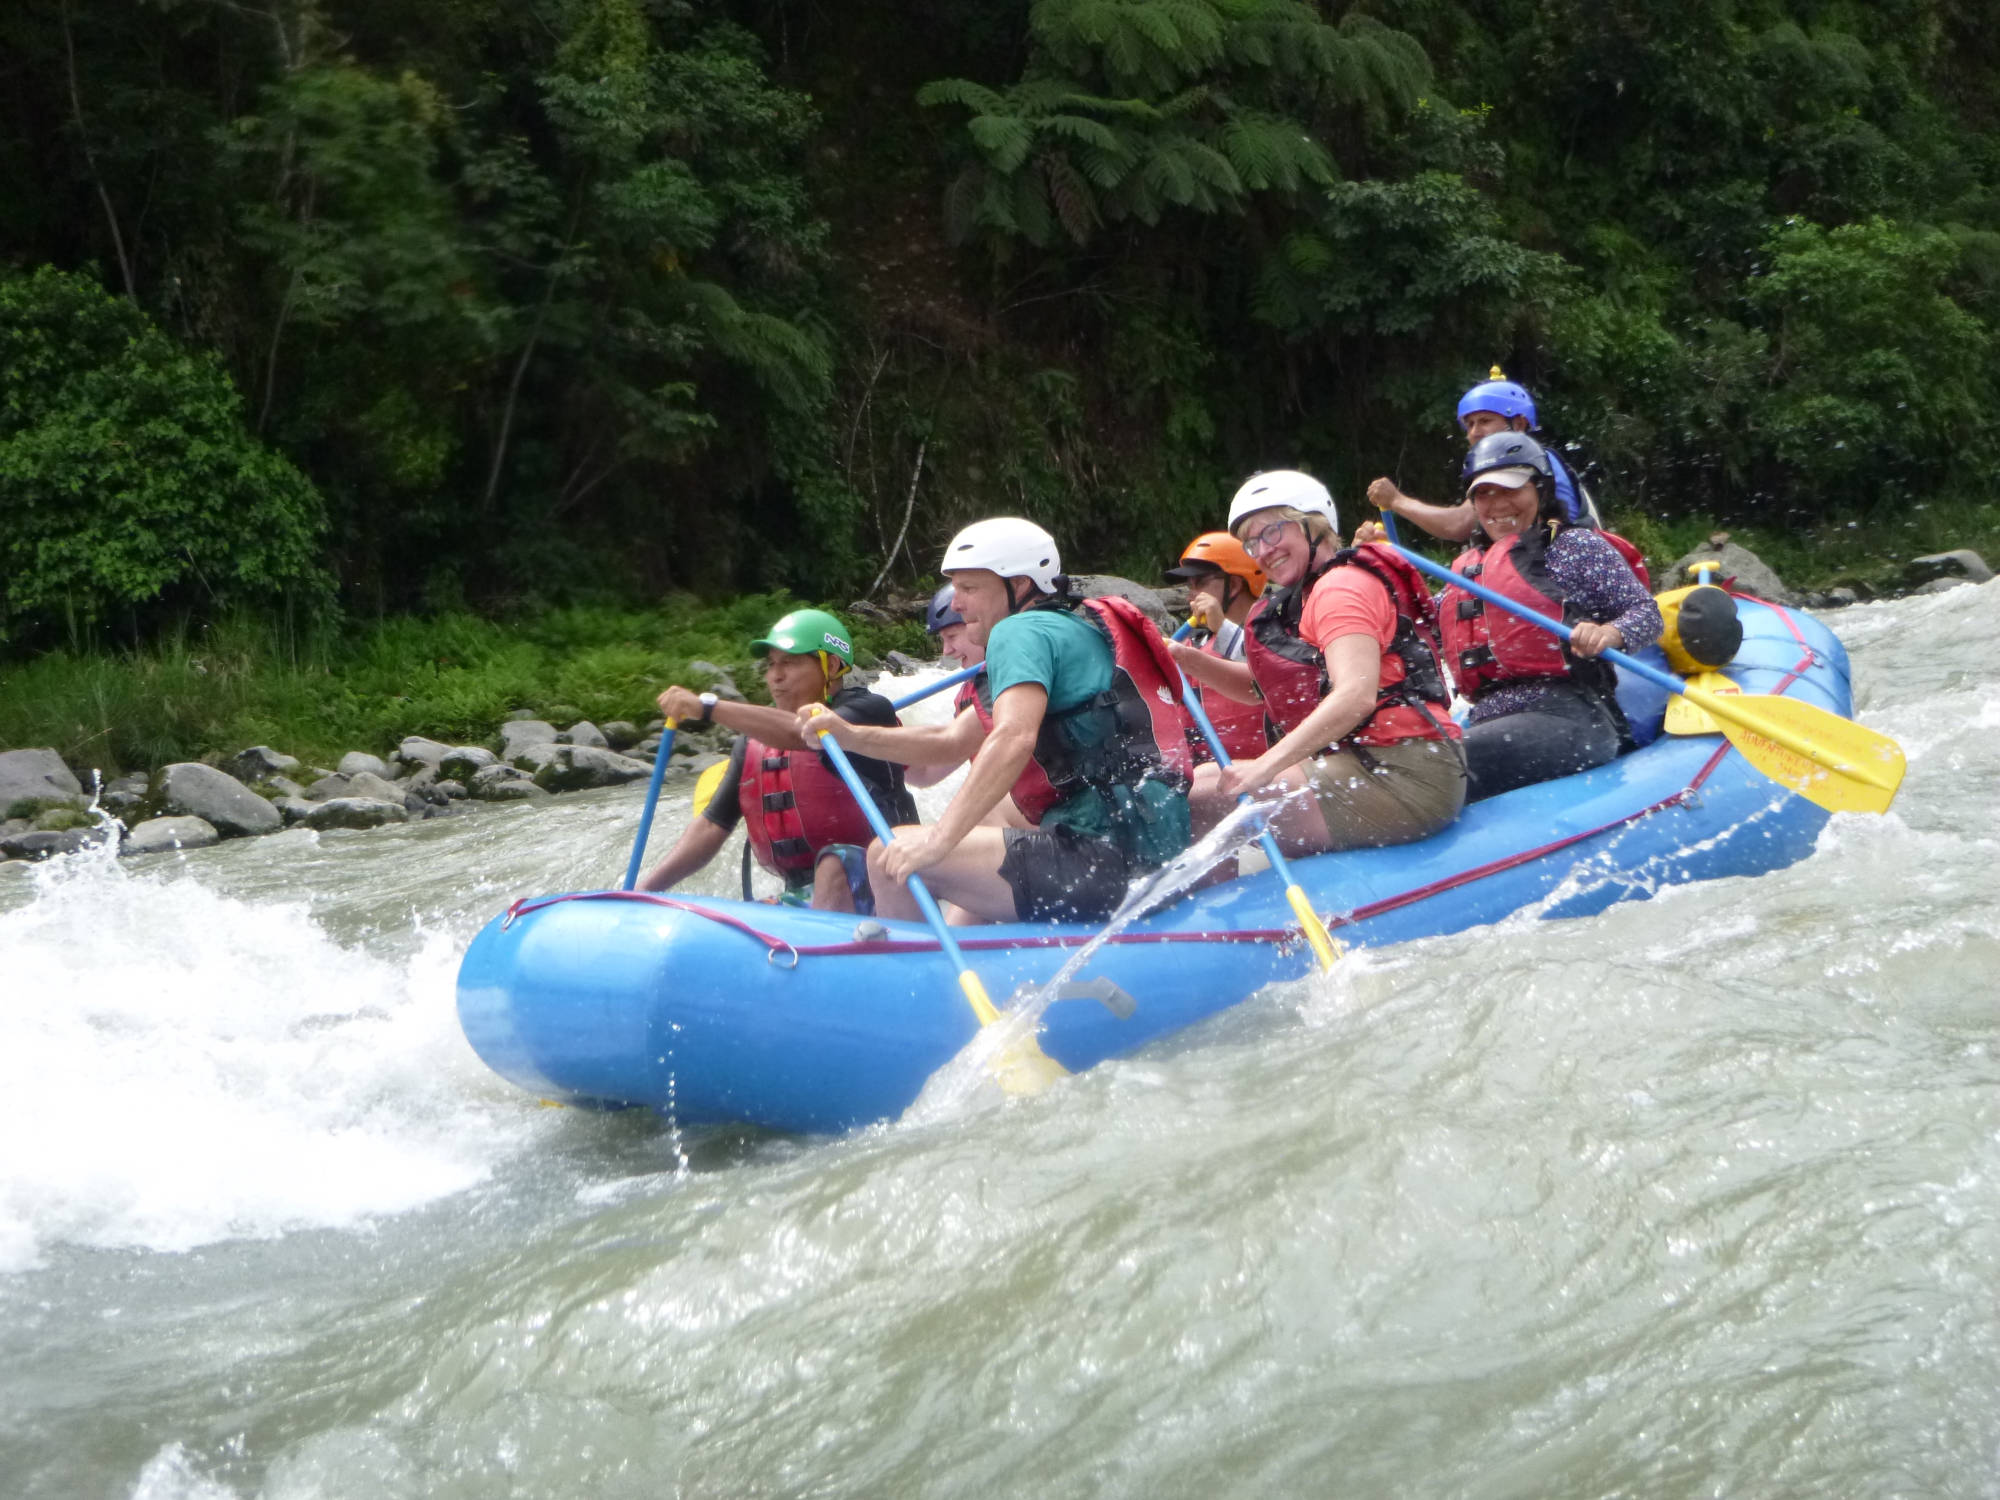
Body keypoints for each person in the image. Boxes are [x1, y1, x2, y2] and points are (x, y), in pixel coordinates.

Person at [802, 518, 1193, 924]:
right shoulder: (1075, 625)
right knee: (992, 813)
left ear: (1020, 585)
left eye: (969, 588)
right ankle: (969, 938)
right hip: (1150, 843)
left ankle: (922, 981)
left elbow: (1013, 738)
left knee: (889, 854)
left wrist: (937, 842)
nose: (955, 604)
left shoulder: (1017, 633)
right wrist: (848, 734)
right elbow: (951, 740)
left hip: (1103, 858)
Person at [1190, 470, 1466, 853]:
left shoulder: (1341, 587)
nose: (1264, 550)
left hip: (1404, 773)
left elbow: (1355, 694)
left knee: (1204, 796)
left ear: (1312, 524)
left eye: (1271, 532)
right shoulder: (1303, 597)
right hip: (1359, 761)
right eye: (1251, 543)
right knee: (1200, 776)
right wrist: (1184, 659)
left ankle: (1214, 906)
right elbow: (1257, 690)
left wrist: (1264, 767)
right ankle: (1224, 899)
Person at [637, 608, 916, 912]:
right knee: (728, 918)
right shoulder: (754, 741)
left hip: (887, 883)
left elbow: (805, 734)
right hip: (806, 897)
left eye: (790, 662)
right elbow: (711, 827)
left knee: (834, 864)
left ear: (831, 665)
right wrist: (644, 891)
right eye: (771, 664)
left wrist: (708, 707)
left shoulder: (868, 712)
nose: (775, 675)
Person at [1439, 432, 1664, 802]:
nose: (1497, 504)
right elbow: (1420, 629)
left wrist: (1608, 633)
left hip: (1571, 716)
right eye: (1484, 493)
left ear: (1540, 491)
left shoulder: (1575, 547)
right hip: (1487, 719)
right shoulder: (1466, 573)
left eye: (1510, 489)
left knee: (1437, 764)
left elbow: (1646, 614)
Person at [1364, 367, 1601, 543]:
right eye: (1470, 425)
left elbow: (1460, 525)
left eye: (1485, 421)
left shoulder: (1537, 465)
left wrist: (1397, 501)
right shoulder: (1534, 460)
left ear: (1519, 424)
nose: (1474, 433)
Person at [1163, 532, 1269, 764]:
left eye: (1200, 582)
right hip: (1202, 772)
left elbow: (1269, 670)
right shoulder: (1191, 643)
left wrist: (1222, 626)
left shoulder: (1273, 629)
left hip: (1260, 770)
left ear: (1234, 586)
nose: (1191, 594)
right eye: (1189, 585)